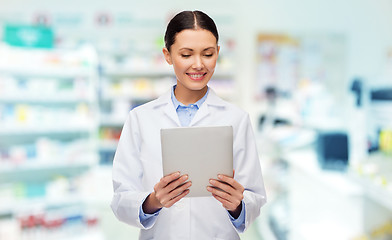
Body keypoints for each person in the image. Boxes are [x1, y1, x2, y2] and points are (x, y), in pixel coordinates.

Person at [111, 10, 267, 240]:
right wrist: (153, 201)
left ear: (218, 53)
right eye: (186, 54)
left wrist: (237, 205)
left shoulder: (237, 119)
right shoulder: (140, 119)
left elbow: (255, 197)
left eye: (208, 54)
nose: (198, 65)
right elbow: (120, 199)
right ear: (168, 55)